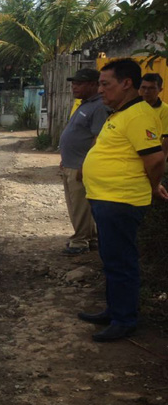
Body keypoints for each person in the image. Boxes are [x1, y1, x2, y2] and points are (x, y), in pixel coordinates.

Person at [78, 59, 168, 342]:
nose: (101, 89)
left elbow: (155, 159)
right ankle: (114, 310)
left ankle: (125, 319)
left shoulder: (139, 115)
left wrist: (154, 187)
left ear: (126, 83)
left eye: (106, 84)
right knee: (111, 258)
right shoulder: (119, 112)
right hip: (107, 199)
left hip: (121, 201)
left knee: (121, 261)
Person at [58, 68, 107, 256]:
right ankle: (91, 238)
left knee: (79, 206)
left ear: (94, 85)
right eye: (74, 83)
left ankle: (79, 242)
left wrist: (85, 165)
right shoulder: (84, 104)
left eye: (79, 83)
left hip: (81, 166)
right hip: (72, 163)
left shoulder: (99, 106)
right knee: (78, 205)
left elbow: (97, 139)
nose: (74, 86)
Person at [139, 73, 168, 155]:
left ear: (160, 90)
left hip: (152, 155)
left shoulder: (165, 110)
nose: (146, 91)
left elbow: (166, 140)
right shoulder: (133, 107)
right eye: (143, 87)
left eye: (151, 88)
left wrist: (160, 161)